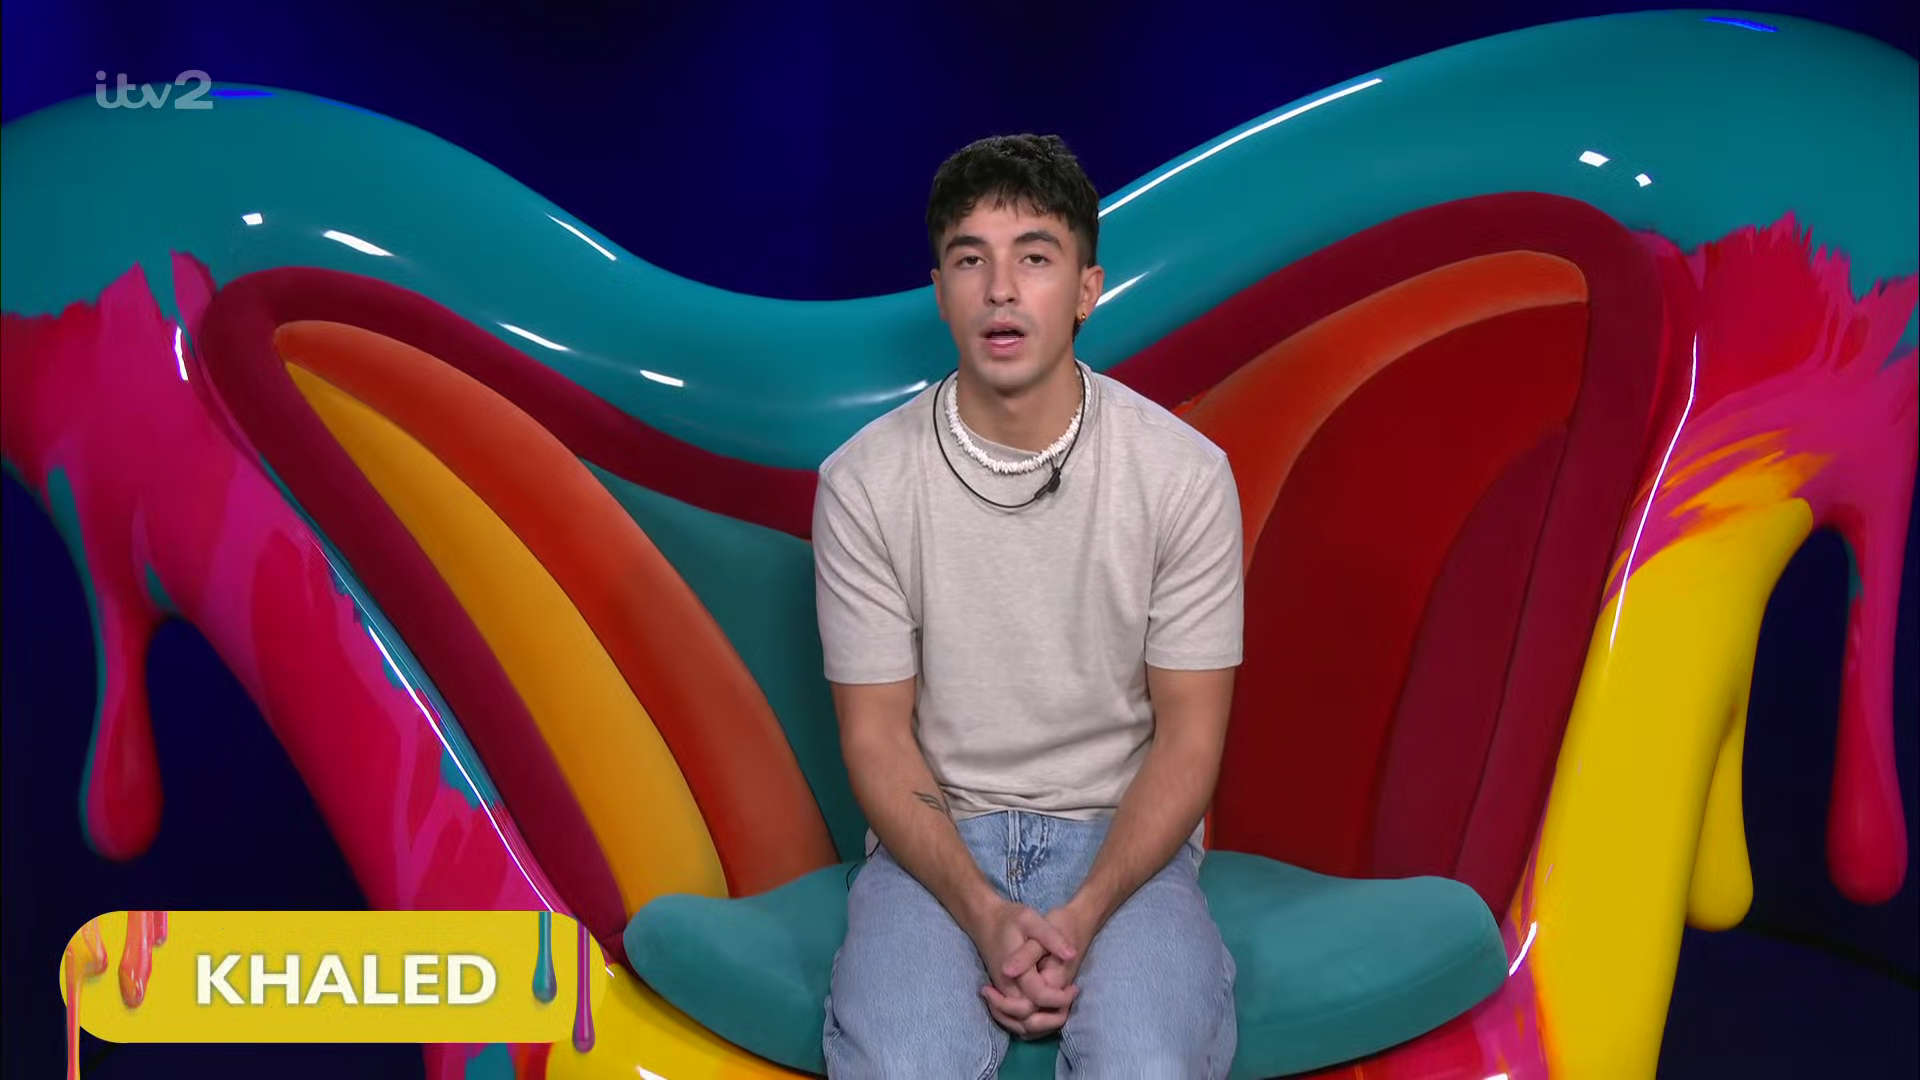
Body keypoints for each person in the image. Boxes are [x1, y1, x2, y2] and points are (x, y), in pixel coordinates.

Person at [813, 132, 1244, 1078]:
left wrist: (1083, 913)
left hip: (1124, 838)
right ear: (941, 292)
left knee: (1146, 1063)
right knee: (903, 1064)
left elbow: (1190, 741)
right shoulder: (863, 482)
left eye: (1036, 259)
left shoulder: (1183, 475)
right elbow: (875, 737)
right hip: (938, 844)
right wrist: (981, 908)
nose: (1001, 290)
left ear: (1087, 290)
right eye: (972, 260)